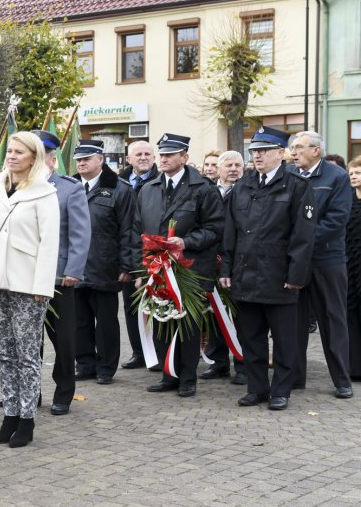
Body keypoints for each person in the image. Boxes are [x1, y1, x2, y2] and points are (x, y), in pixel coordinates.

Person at [0, 131, 60, 448]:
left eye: (19, 152)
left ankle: (26, 420)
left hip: (27, 285)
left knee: (27, 355)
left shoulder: (45, 193)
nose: (12, 156)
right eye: (10, 151)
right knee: (5, 353)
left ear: (33, 158)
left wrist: (42, 287)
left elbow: (49, 243)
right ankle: (8, 415)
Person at [220, 127, 316, 410]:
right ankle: (257, 388)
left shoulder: (297, 186)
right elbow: (230, 233)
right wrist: (227, 268)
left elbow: (303, 236)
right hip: (246, 274)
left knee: (285, 340)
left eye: (263, 151)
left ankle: (281, 390)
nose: (257, 155)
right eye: (254, 151)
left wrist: (296, 275)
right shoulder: (244, 185)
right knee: (251, 338)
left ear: (280, 154)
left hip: (279, 277)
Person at [133, 133, 223, 397]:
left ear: (185, 157)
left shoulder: (203, 187)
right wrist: (140, 268)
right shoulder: (148, 188)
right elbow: (137, 229)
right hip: (156, 268)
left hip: (190, 267)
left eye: (170, 154)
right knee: (161, 320)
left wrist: (187, 241)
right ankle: (168, 374)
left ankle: (187, 378)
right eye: (162, 154)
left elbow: (216, 228)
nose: (164, 158)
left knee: (187, 324)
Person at [290, 131, 355, 399]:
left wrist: (300, 243)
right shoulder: (290, 175)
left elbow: (337, 220)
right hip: (295, 262)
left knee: (332, 320)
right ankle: (295, 378)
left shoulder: (336, 176)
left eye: (299, 148)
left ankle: (342, 380)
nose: (293, 152)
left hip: (327, 260)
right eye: (292, 148)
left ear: (316, 150)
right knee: (293, 321)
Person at [72, 139, 136, 385]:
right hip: (76, 267)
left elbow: (129, 230)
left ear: (101, 160)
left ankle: (106, 367)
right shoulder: (70, 186)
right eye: (79, 158)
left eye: (87, 158)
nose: (81, 162)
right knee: (79, 320)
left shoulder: (120, 189)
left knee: (106, 321)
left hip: (106, 265)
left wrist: (127, 265)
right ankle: (85, 363)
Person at [36, 130, 90, 415]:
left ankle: (64, 392)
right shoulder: (14, 187)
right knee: (28, 340)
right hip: (24, 277)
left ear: (51, 158)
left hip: (58, 277)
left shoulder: (70, 188)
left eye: (38, 153)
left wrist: (73, 270)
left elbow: (80, 233)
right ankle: (30, 392)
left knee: (64, 341)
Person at [202, 150, 247, 384]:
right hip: (210, 259)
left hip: (238, 261)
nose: (233, 169)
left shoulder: (248, 190)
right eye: (228, 165)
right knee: (213, 315)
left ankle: (243, 365)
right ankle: (218, 362)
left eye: (238, 165)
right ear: (218, 169)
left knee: (240, 317)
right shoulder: (207, 190)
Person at [118, 140, 160, 370]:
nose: (143, 157)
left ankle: (155, 351)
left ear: (154, 158)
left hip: (153, 254)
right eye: (138, 154)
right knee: (131, 306)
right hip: (128, 253)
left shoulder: (159, 182)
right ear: (129, 159)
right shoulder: (119, 183)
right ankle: (138, 352)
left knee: (155, 304)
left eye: (147, 154)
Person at [346, 156, 361, 380]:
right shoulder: (347, 200)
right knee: (351, 312)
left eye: (357, 172)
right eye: (351, 172)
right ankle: (355, 367)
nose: (353, 176)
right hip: (350, 262)